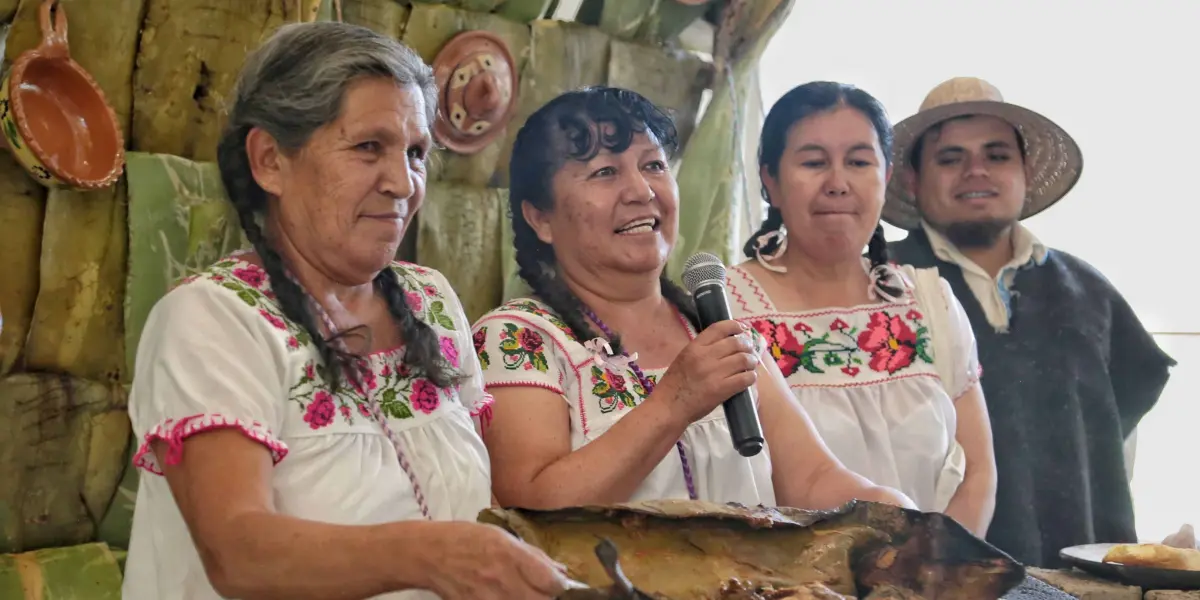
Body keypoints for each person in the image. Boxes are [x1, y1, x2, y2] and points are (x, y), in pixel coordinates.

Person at [123, 22, 573, 600]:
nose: (402, 183)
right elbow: (238, 552)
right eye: (368, 147)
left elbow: (470, 505)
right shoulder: (213, 320)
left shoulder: (429, 302)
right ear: (269, 161)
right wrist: (432, 554)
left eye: (416, 153)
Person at [470, 86, 915, 511]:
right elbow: (530, 506)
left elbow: (812, 479)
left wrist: (894, 511)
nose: (642, 192)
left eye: (654, 166)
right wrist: (675, 402)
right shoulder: (517, 340)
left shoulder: (716, 329)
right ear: (540, 217)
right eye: (605, 172)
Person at [885, 76, 1175, 567]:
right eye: (950, 158)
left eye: (996, 155)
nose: (976, 171)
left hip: (1083, 576)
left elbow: (1118, 438)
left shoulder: (1088, 290)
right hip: (938, 580)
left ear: (1025, 168)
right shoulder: (883, 286)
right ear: (913, 179)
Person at [727, 81, 996, 537]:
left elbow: (978, 473)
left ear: (886, 176)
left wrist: (935, 575)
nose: (837, 184)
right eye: (813, 163)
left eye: (858, 161)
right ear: (769, 180)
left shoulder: (930, 302)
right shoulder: (727, 308)